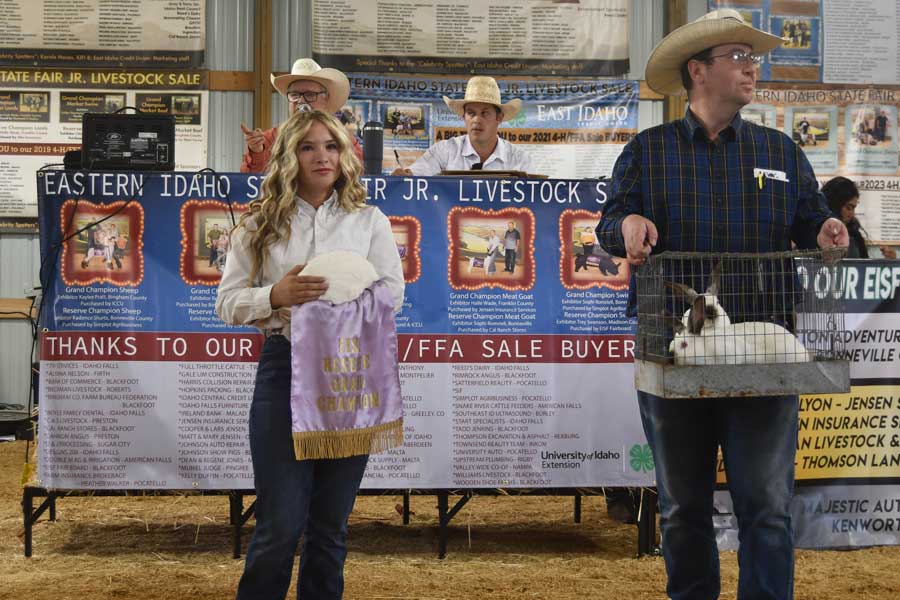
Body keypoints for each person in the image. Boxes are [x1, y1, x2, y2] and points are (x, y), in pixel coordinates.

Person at [596, 9, 849, 600]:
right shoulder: (647, 151)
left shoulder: (781, 151)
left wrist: (827, 230)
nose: (752, 67)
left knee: (766, 506)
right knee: (682, 507)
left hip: (763, 356)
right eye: (738, 56)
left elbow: (812, 219)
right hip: (674, 355)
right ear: (698, 71)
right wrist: (627, 224)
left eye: (753, 57)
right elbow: (609, 224)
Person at [216, 109, 404, 599]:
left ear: (344, 155)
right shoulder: (258, 223)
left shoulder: (369, 221)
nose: (322, 156)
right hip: (286, 367)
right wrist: (275, 296)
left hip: (351, 373)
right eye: (308, 147)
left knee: (330, 528)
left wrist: (338, 307)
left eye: (331, 146)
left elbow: (393, 294)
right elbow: (227, 302)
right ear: (288, 157)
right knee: (280, 524)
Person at [392, 76, 534, 176]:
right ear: (463, 117)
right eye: (471, 113)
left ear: (499, 117)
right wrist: (403, 176)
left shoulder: (519, 159)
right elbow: (414, 176)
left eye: (485, 113)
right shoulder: (444, 152)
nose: (477, 120)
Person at [240, 58, 362, 173]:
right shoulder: (269, 139)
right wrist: (257, 152)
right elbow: (250, 184)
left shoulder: (344, 140)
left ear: (326, 99)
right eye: (294, 95)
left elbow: (359, 179)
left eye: (310, 94)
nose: (301, 101)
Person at [821, 176, 897, 259]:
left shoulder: (854, 234)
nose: (852, 214)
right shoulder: (814, 232)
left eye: (853, 208)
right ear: (835, 205)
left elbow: (863, 268)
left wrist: (890, 263)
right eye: (849, 208)